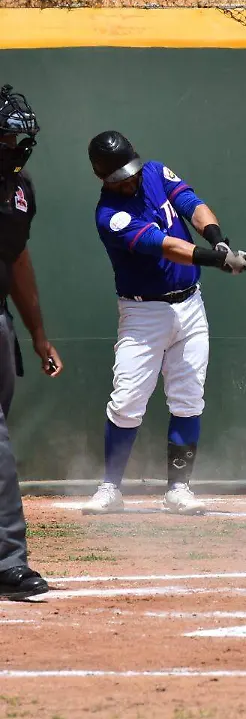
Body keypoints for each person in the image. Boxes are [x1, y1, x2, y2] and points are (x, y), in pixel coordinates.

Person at [81, 131, 246, 516]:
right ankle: (111, 487)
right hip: (143, 314)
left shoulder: (155, 172)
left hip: (190, 306)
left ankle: (179, 489)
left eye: (131, 170)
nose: (131, 179)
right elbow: (166, 246)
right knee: (126, 403)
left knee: (189, 398)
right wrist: (214, 259)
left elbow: (193, 204)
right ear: (103, 177)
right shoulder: (109, 216)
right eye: (119, 177)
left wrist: (218, 241)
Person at [0, 84, 60, 600]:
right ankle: (6, 561)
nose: (16, 144)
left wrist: (38, 334)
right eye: (6, 134)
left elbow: (16, 260)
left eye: (20, 135)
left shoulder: (19, 191)